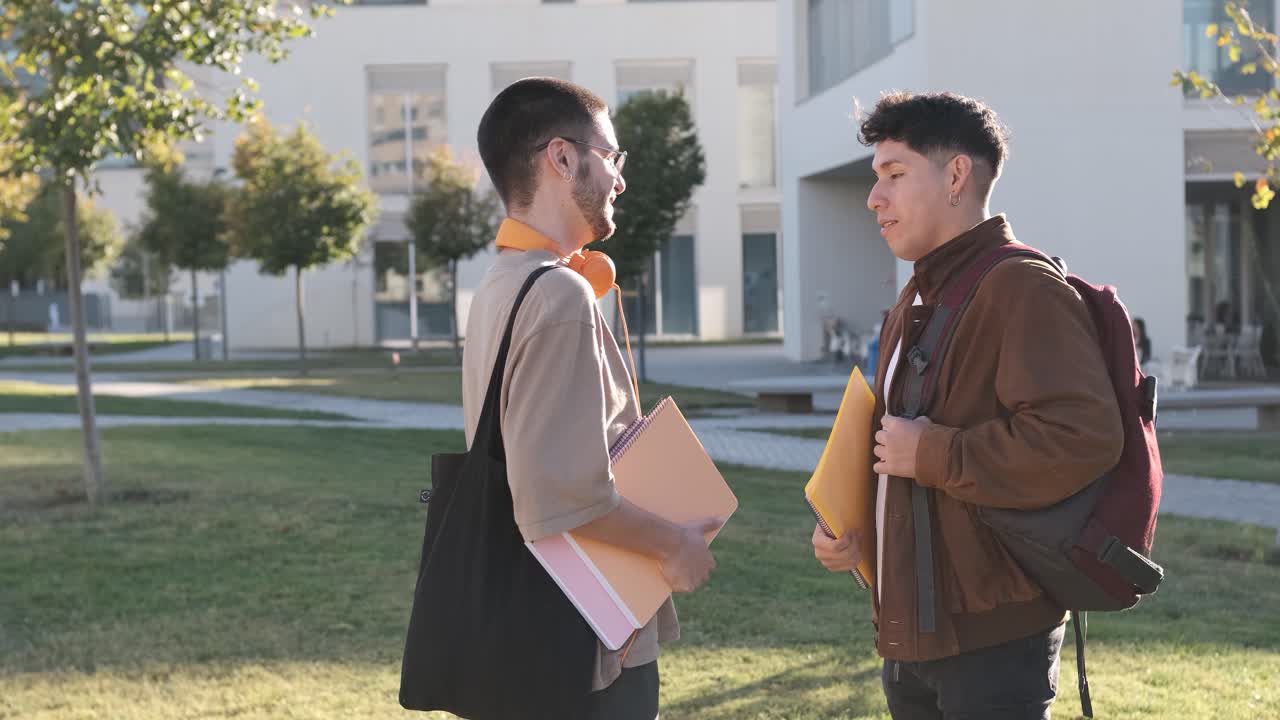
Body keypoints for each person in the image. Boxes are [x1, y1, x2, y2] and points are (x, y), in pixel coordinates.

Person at [811, 91, 1123, 720]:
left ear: (956, 175)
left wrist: (931, 451)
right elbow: (892, 450)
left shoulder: (1022, 286)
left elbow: (1081, 436)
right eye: (876, 179)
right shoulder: (916, 296)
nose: (875, 197)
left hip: (994, 642)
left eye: (894, 175)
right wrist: (854, 531)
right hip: (911, 632)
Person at [467, 77, 719, 719]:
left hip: (529, 634)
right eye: (612, 158)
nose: (620, 179)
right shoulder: (558, 295)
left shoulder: (504, 282)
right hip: (586, 642)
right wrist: (674, 545)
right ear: (562, 157)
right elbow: (557, 499)